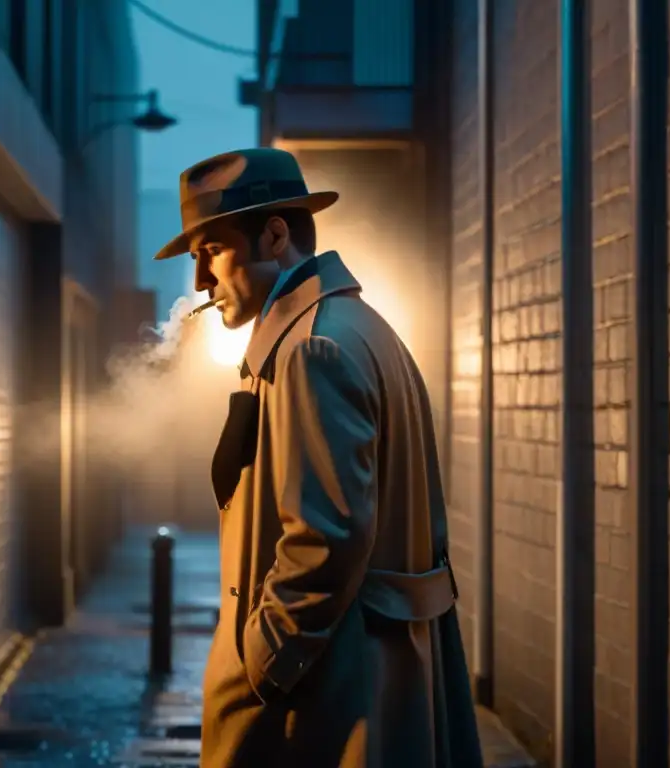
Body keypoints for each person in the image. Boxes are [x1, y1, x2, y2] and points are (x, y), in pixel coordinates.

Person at [154, 147, 484, 768]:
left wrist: (261, 665)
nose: (200, 281)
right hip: (355, 671)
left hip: (327, 689)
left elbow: (325, 539)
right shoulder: (354, 326)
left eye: (211, 251)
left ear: (274, 235)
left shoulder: (313, 349)